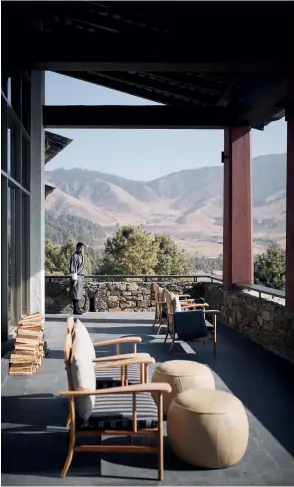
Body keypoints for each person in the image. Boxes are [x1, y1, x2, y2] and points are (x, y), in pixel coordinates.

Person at [69, 242, 85, 315]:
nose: (82, 249)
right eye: (80, 248)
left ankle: (77, 308)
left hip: (81, 277)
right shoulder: (74, 256)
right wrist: (75, 279)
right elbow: (73, 268)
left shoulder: (81, 256)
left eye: (83, 248)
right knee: (75, 293)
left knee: (78, 293)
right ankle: (75, 309)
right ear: (77, 248)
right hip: (76, 277)